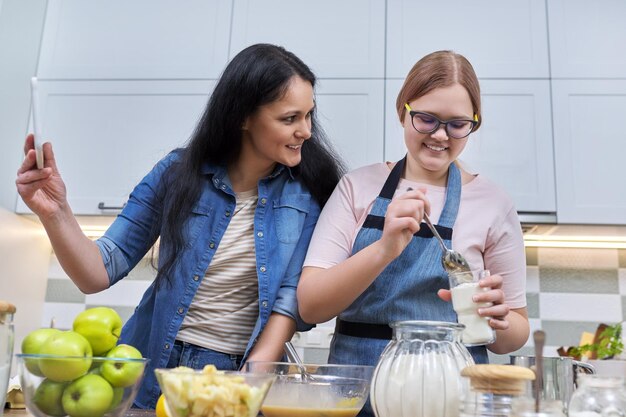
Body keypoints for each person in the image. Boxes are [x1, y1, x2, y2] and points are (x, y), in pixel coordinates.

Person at [16, 43, 344, 409]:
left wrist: (250, 380)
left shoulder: (310, 194)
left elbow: (289, 302)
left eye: (309, 115)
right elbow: (99, 271)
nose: (307, 131)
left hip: (242, 374)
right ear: (243, 117)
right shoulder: (177, 173)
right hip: (154, 369)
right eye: (290, 118)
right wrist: (56, 212)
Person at [297, 50, 529, 416]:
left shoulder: (494, 204)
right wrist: (384, 249)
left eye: (457, 124)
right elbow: (311, 305)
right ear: (402, 111)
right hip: (355, 394)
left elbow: (514, 334)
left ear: (473, 124)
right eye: (426, 119)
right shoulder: (357, 187)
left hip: (454, 396)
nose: (440, 135)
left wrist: (497, 319)